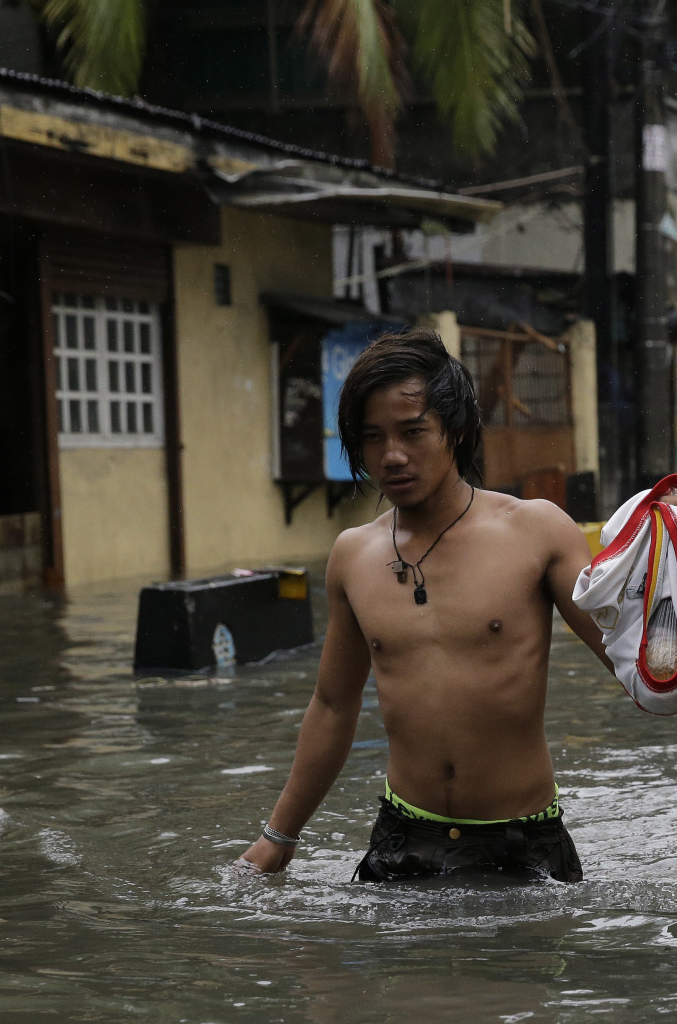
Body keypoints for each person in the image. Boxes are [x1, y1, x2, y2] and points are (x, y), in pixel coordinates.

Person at [237, 330, 614, 883]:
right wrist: (277, 839)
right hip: (402, 839)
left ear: (456, 432)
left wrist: (670, 577)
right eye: (372, 438)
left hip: (523, 843)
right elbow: (333, 706)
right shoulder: (352, 555)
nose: (392, 456)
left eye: (413, 432)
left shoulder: (536, 531)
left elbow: (632, 661)